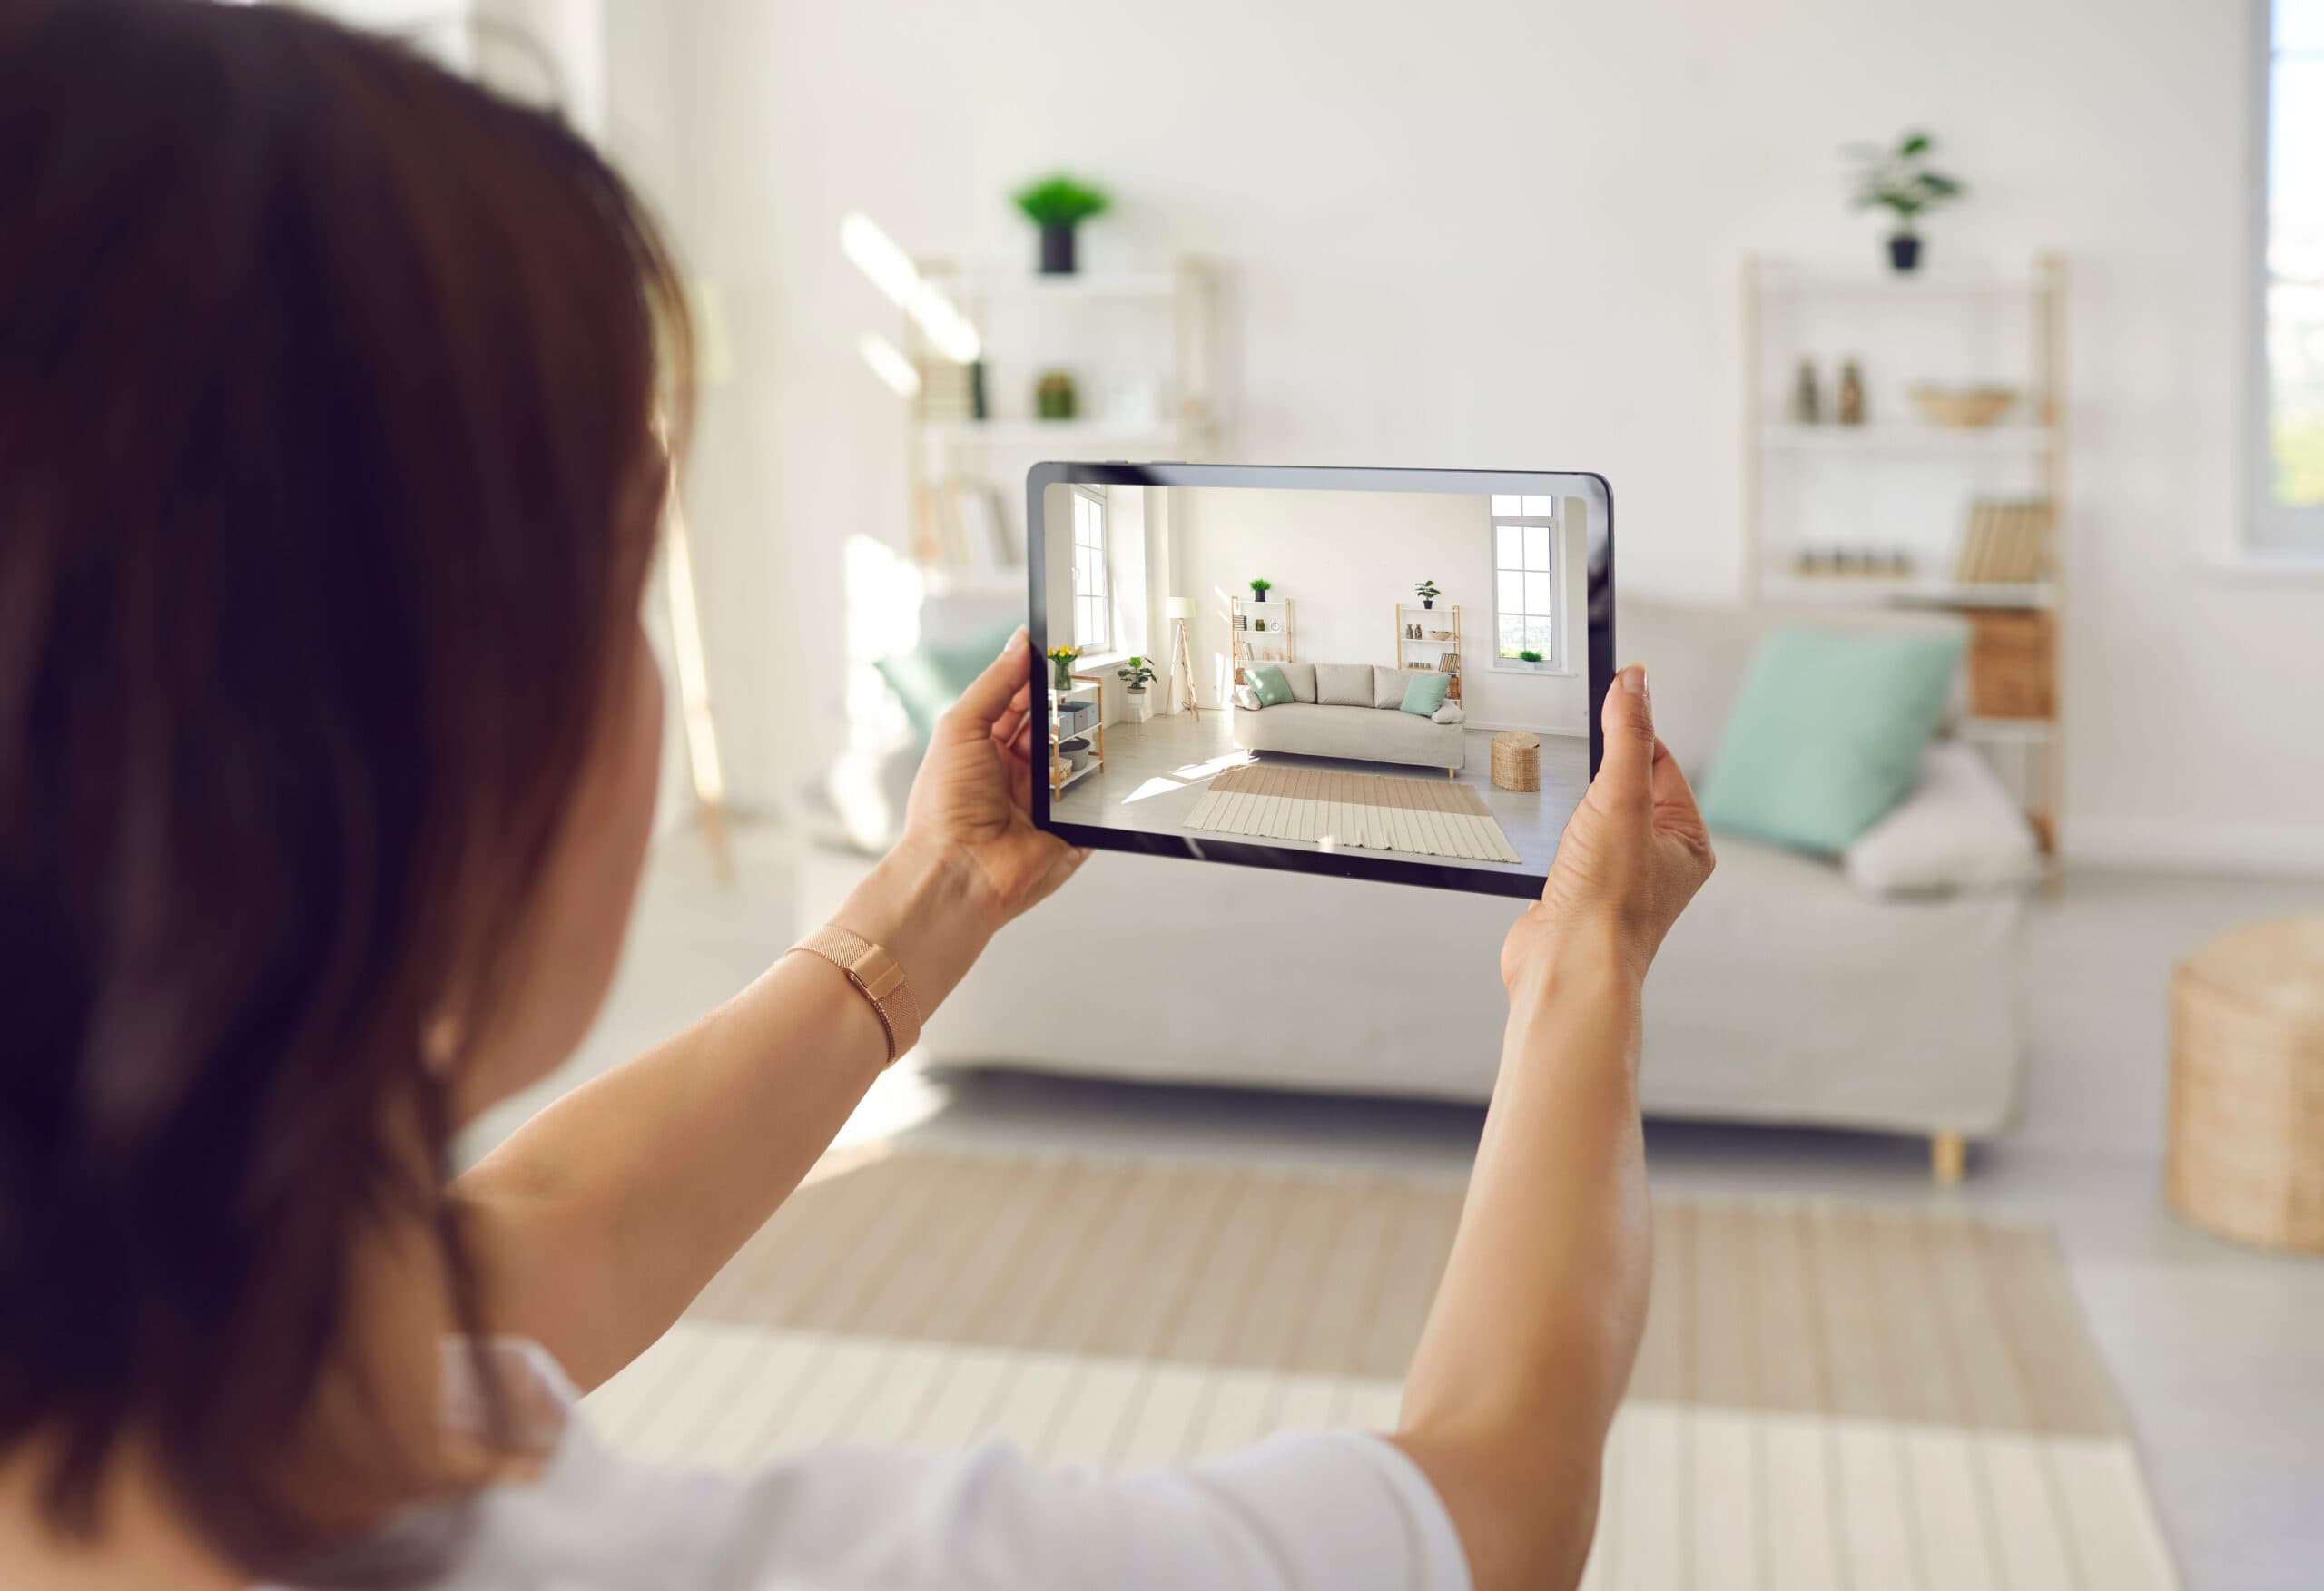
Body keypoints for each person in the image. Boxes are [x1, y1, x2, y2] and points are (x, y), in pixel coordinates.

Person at [0, 3, 1715, 1589]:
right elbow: (1492, 1502)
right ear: (416, 746)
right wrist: (1583, 972)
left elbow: (542, 1236)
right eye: (625, 575)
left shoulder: (158, 1337)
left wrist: (938, 892)